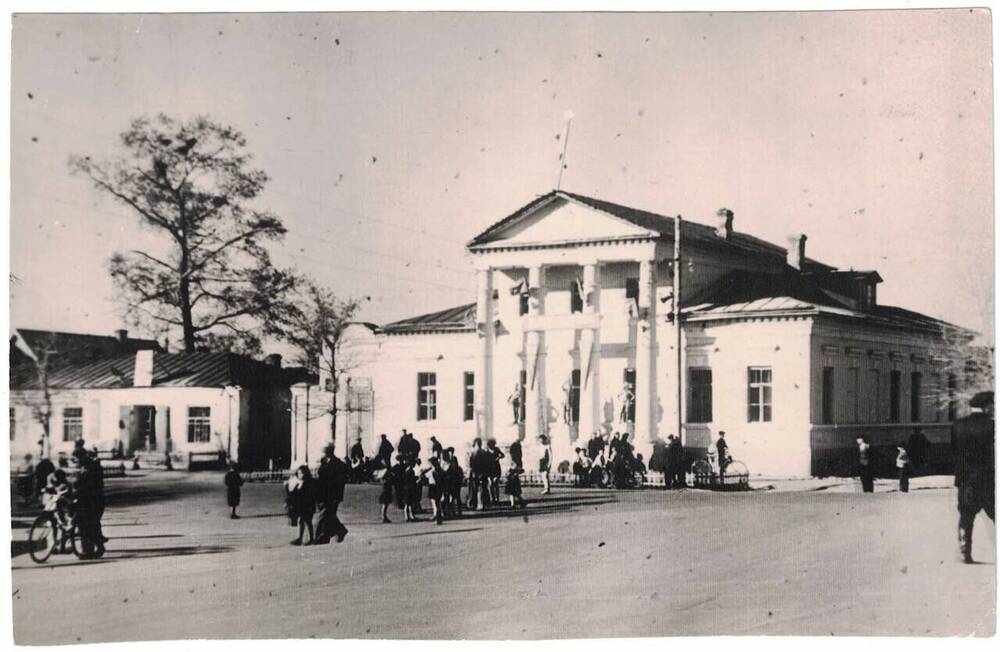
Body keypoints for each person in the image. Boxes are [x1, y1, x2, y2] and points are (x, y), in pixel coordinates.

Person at [951, 391, 995, 563]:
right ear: (987, 407)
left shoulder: (957, 425)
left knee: (966, 516)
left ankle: (965, 550)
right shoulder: (992, 426)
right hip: (987, 478)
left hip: (965, 480)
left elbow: (955, 451)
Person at [75, 449, 106, 558]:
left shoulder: (88, 471)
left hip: (90, 502)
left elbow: (79, 485)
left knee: (87, 526)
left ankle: (90, 550)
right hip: (95, 501)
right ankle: (94, 548)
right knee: (91, 525)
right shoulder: (94, 468)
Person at [315, 445, 349, 543]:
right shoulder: (324, 462)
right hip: (324, 493)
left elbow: (342, 478)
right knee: (330, 515)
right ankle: (338, 531)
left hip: (333, 494)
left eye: (324, 452)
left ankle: (321, 536)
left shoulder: (338, 464)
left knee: (324, 515)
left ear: (329, 452)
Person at [288, 465, 316, 545]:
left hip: (308, 506)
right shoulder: (300, 483)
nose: (299, 475)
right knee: (303, 521)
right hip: (303, 506)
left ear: (305, 473)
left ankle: (309, 538)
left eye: (301, 473)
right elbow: (294, 494)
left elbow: (308, 495)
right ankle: (303, 538)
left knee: (307, 521)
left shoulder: (308, 483)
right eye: (298, 473)